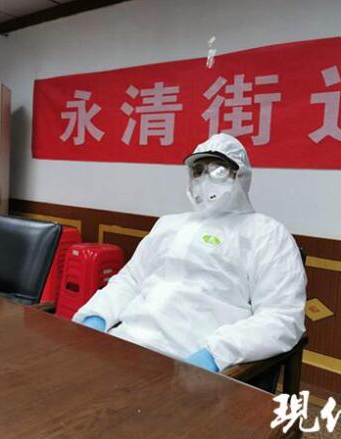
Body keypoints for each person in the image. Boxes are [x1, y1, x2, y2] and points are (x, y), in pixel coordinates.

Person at [72, 133, 306, 372]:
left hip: (187, 363)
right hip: (124, 343)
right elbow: (131, 279)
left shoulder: (267, 234)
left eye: (218, 170)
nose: (205, 179)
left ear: (241, 175)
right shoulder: (169, 225)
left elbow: (281, 316)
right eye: (198, 171)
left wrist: (214, 355)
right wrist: (97, 317)